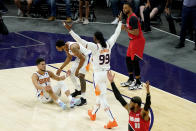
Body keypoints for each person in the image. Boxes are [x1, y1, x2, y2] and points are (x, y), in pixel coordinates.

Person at [63, 12, 122, 128]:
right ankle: (93, 113)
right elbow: (116, 33)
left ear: (96, 39)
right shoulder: (109, 44)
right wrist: (120, 22)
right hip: (107, 74)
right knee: (100, 95)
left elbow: (80, 40)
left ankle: (111, 119)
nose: (93, 38)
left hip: (99, 75)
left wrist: (70, 30)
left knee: (102, 97)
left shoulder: (94, 47)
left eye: (94, 37)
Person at [55, 40, 91, 106]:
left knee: (81, 76)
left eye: (57, 48)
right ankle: (78, 90)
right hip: (79, 58)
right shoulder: (66, 48)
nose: (57, 49)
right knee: (71, 74)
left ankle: (84, 99)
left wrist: (77, 69)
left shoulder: (72, 47)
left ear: (61, 46)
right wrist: (60, 68)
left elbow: (83, 58)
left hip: (86, 57)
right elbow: (69, 58)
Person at [120, 2, 145, 90]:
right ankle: (131, 79)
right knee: (127, 59)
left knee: (135, 61)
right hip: (132, 41)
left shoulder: (133, 18)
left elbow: (136, 32)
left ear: (130, 8)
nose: (124, 10)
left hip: (138, 41)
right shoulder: (128, 17)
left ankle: (138, 82)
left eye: (126, 8)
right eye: (123, 8)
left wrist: (126, 29)